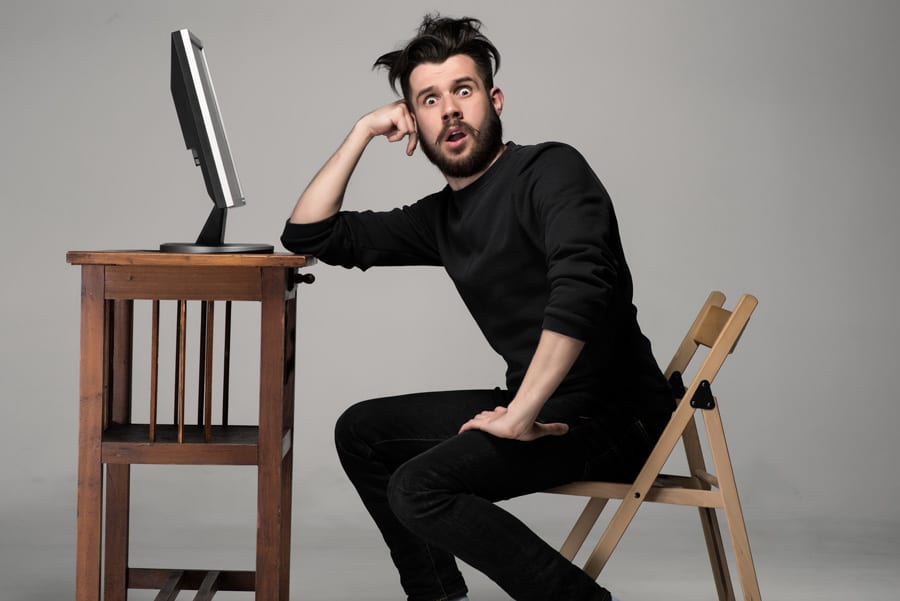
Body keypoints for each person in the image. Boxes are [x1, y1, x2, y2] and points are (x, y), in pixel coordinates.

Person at [282, 14, 674, 601]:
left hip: (612, 419)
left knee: (417, 488)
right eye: (430, 100)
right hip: (538, 403)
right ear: (413, 121)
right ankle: (437, 594)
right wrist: (362, 130)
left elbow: (582, 288)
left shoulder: (551, 170)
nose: (450, 110)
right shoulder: (440, 218)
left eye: (462, 91)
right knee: (361, 433)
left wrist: (521, 415)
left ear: (493, 100)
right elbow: (309, 237)